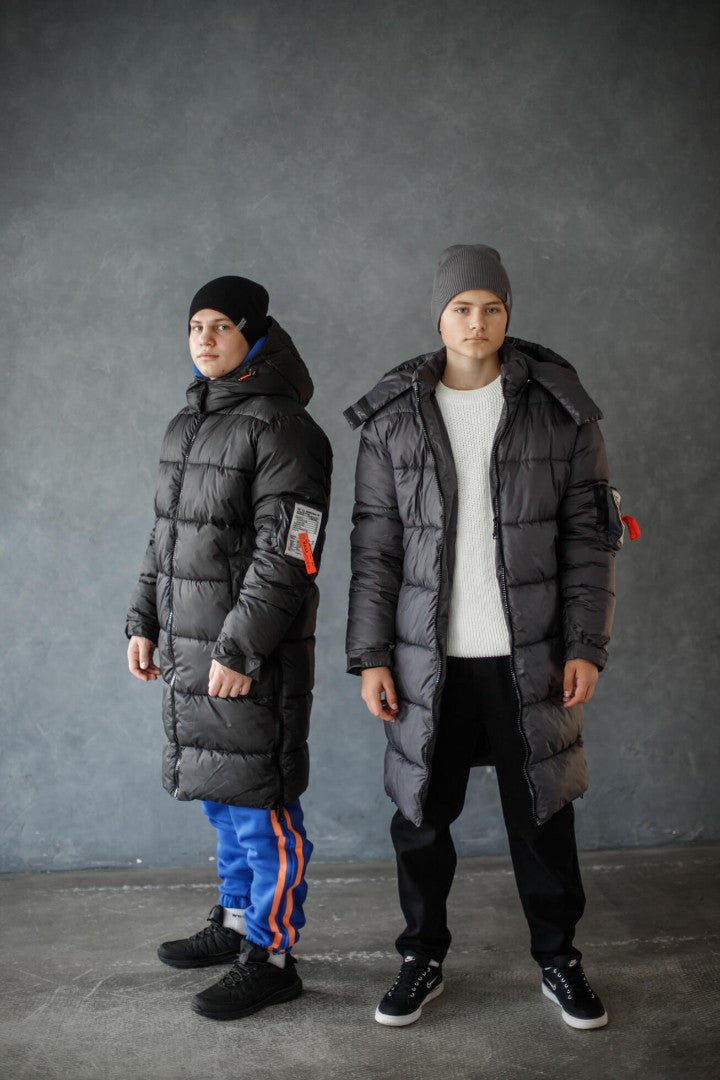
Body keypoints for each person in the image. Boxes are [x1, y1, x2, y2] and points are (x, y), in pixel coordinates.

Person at [344, 244, 625, 1030]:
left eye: (492, 308)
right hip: (424, 660)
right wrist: (370, 657)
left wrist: (585, 644)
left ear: (508, 314)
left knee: (543, 816)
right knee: (420, 819)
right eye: (462, 307)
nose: (478, 322)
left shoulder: (560, 409)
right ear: (439, 316)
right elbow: (375, 547)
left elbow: (589, 539)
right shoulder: (393, 417)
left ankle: (559, 959)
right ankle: (420, 957)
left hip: (530, 656)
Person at [126, 275, 332, 1021]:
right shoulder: (187, 425)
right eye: (195, 327)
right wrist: (142, 620)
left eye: (221, 325)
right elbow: (164, 538)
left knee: (261, 806)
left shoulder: (286, 429)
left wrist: (242, 649)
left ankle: (272, 956)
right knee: (222, 796)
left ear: (255, 334)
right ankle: (239, 922)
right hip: (192, 650)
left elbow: (292, 552)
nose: (205, 339)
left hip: (249, 656)